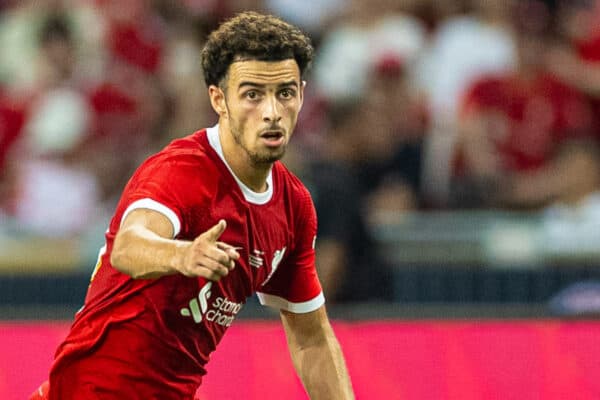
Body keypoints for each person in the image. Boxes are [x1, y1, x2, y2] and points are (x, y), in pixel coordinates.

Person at [30, 11, 354, 400]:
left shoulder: (294, 206)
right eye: (252, 94)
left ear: (301, 95)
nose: (271, 112)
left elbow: (311, 340)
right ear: (219, 99)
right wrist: (180, 255)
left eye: (284, 93)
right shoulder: (181, 171)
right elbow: (128, 246)